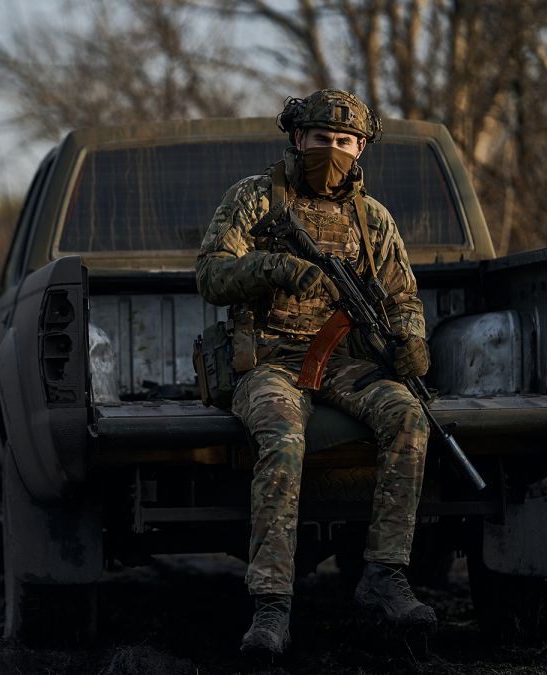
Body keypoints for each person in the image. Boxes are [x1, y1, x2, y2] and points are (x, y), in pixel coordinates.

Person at [196, 89, 436, 656]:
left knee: (410, 416)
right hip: (269, 363)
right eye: (322, 139)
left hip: (343, 362)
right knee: (281, 441)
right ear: (297, 139)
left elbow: (401, 296)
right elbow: (210, 275)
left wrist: (412, 343)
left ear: (361, 149)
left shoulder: (372, 219)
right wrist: (273, 268)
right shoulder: (254, 199)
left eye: (346, 142)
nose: (334, 151)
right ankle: (272, 605)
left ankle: (384, 574)